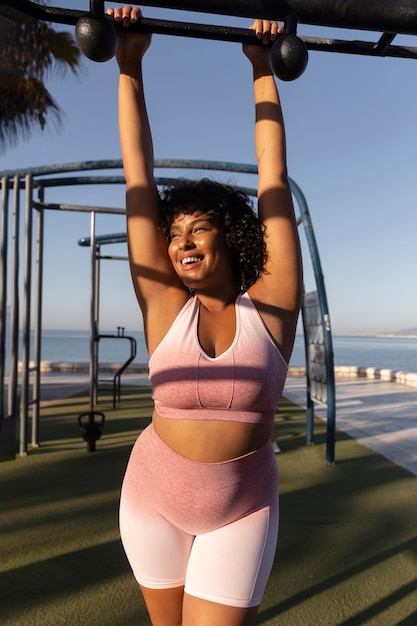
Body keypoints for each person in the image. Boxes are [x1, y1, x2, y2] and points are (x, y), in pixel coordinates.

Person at [108, 5, 302, 625]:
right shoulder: (165, 307)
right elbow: (138, 178)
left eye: (200, 228)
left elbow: (273, 178)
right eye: (175, 232)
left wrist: (261, 68)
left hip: (242, 509)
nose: (183, 241)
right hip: (152, 499)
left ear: (233, 237)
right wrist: (130, 65)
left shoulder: (270, 310)